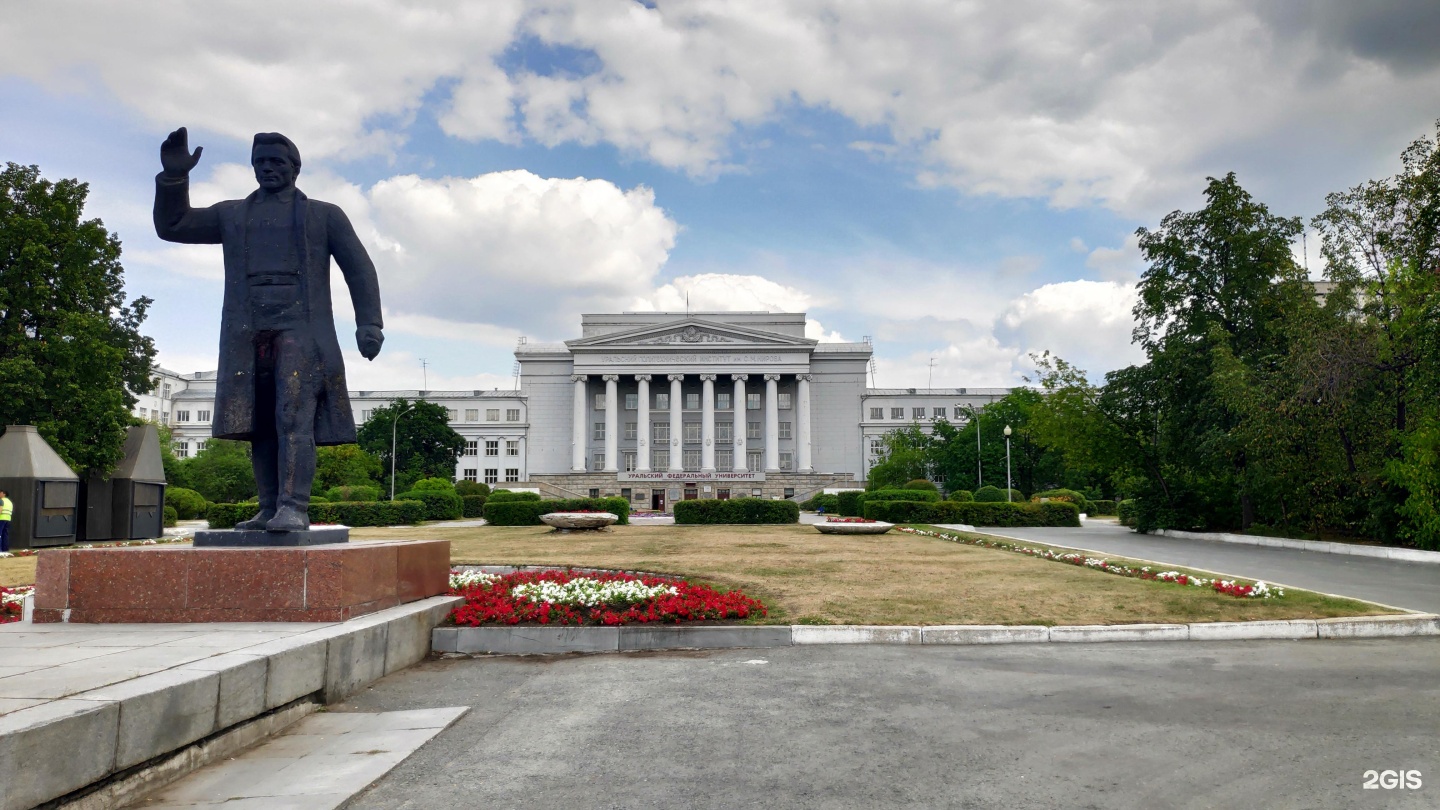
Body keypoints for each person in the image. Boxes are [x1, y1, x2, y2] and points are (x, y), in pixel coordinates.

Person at [154, 128, 384, 532]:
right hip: (247, 329)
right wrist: (174, 178)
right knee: (258, 423)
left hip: (302, 327)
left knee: (292, 416)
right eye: (260, 162)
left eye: (276, 161)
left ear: (295, 168)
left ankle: (293, 506)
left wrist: (369, 323)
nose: (267, 168)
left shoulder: (323, 214)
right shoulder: (232, 214)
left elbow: (359, 266)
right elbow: (174, 224)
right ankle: (268, 507)